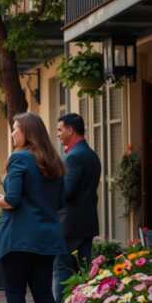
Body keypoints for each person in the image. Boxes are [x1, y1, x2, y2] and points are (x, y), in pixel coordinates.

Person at [0, 112, 67, 303]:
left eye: (15, 129)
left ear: (27, 132)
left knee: (15, 295)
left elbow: (12, 200)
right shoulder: (54, 161)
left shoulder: (19, 158)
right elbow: (60, 201)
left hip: (18, 240)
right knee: (44, 294)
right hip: (46, 238)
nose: (12, 134)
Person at [53, 113, 101, 303]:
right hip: (86, 223)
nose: (57, 134)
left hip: (69, 226)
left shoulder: (74, 157)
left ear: (70, 130)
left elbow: (66, 193)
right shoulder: (90, 154)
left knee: (62, 272)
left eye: (60, 129)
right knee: (84, 274)